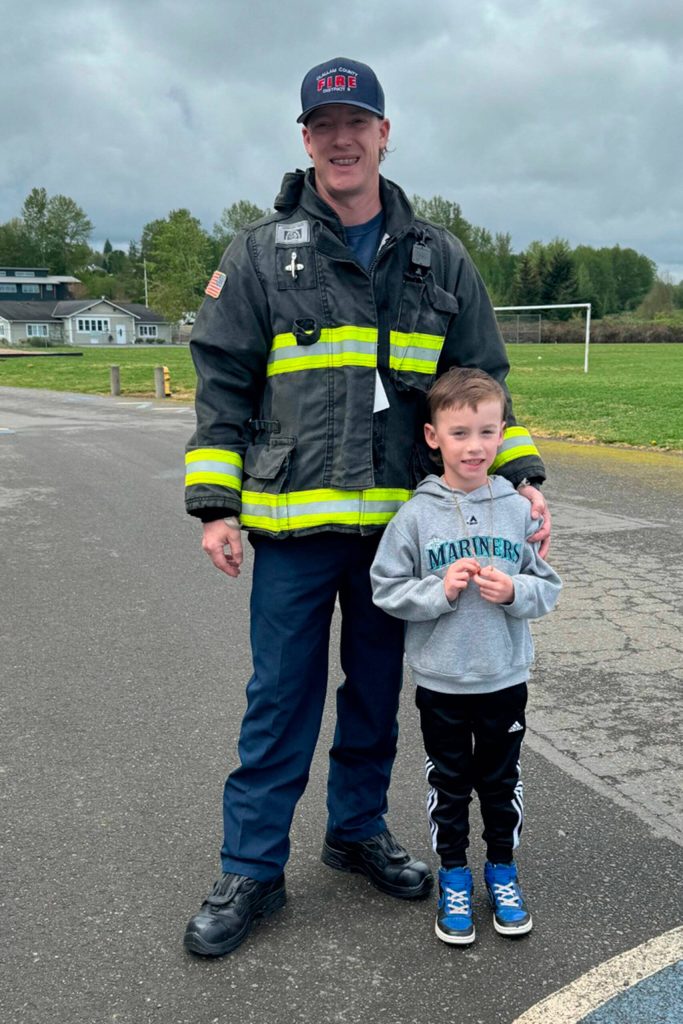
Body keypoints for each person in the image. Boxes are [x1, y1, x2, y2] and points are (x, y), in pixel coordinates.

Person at [182, 57, 551, 958]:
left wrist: (522, 475)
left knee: (377, 697)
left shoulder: (438, 258)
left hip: (402, 532)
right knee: (280, 699)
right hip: (294, 529)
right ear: (304, 139)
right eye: (322, 126)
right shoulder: (259, 254)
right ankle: (252, 868)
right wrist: (214, 506)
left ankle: (354, 834)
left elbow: (480, 383)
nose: (340, 140)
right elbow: (222, 386)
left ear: (384, 134)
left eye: (357, 123)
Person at [370, 367, 561, 945]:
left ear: (503, 434)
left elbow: (546, 586)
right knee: (450, 784)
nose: (474, 447)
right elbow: (386, 587)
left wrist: (515, 593)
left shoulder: (518, 510)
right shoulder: (416, 515)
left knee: (501, 782)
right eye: (459, 433)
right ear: (433, 437)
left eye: (486, 432)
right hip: (442, 682)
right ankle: (454, 873)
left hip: (504, 678)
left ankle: (501, 868)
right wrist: (440, 590)